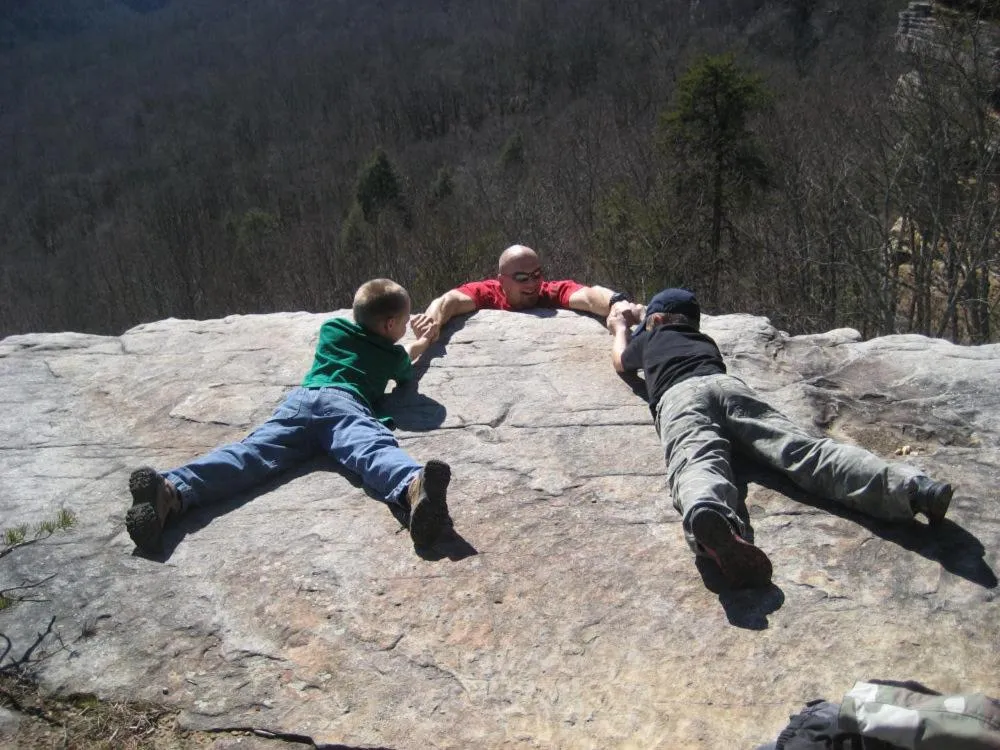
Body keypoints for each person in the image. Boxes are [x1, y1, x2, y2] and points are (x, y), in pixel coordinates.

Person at [607, 287, 954, 589]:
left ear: (655, 321)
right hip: (727, 387)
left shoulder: (651, 337)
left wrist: (621, 327)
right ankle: (912, 488)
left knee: (698, 458)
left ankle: (710, 515)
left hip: (681, 397)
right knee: (802, 451)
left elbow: (621, 361)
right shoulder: (702, 340)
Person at [125, 279, 453, 555]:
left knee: (250, 454)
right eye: (403, 322)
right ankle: (412, 485)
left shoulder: (332, 329)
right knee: (370, 448)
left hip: (300, 402)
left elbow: (362, 332)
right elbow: (406, 364)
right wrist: (424, 340)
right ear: (390, 325)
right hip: (345, 405)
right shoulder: (391, 354)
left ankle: (169, 489)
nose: (404, 328)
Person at [411, 244, 630, 341]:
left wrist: (616, 302)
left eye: (536, 274)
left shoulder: (549, 292)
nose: (532, 284)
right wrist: (432, 323)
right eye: (522, 278)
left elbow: (590, 296)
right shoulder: (489, 293)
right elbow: (449, 300)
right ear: (502, 281)